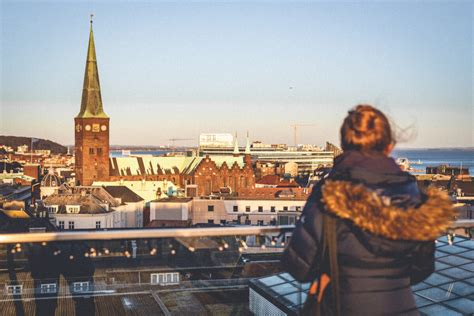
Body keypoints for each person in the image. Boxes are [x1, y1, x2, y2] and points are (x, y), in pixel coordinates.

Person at [281, 105, 455, 315]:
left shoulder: (329, 194)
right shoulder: (415, 196)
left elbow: (300, 267)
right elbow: (422, 269)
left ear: (345, 145)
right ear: (389, 146)